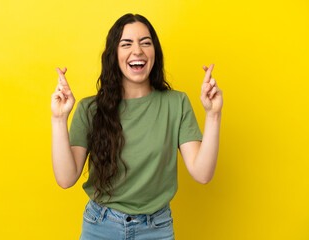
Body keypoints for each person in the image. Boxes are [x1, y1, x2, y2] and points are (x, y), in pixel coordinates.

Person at [51, 13, 223, 240]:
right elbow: (66, 178)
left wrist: (213, 115)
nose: (138, 51)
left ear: (155, 53)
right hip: (100, 226)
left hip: (156, 228)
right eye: (126, 44)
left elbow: (202, 173)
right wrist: (59, 119)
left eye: (145, 43)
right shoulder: (90, 109)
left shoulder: (176, 103)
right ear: (114, 54)